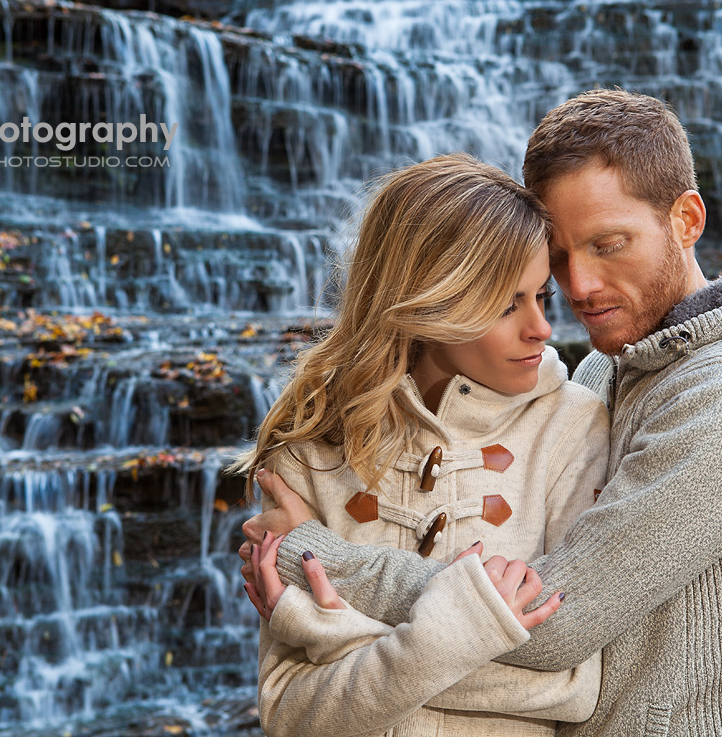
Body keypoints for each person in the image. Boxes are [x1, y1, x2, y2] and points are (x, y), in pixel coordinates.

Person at [242, 89, 722, 735]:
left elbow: (549, 622)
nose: (580, 287)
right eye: (559, 259)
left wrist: (312, 558)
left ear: (686, 218)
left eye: (608, 243)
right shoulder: (604, 371)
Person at [235, 152, 609, 737]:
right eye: (508, 303)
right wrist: (455, 639)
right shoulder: (311, 442)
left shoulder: (571, 428)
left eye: (543, 298)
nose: (540, 327)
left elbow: (570, 687)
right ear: (430, 296)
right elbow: (288, 712)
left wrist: (337, 633)